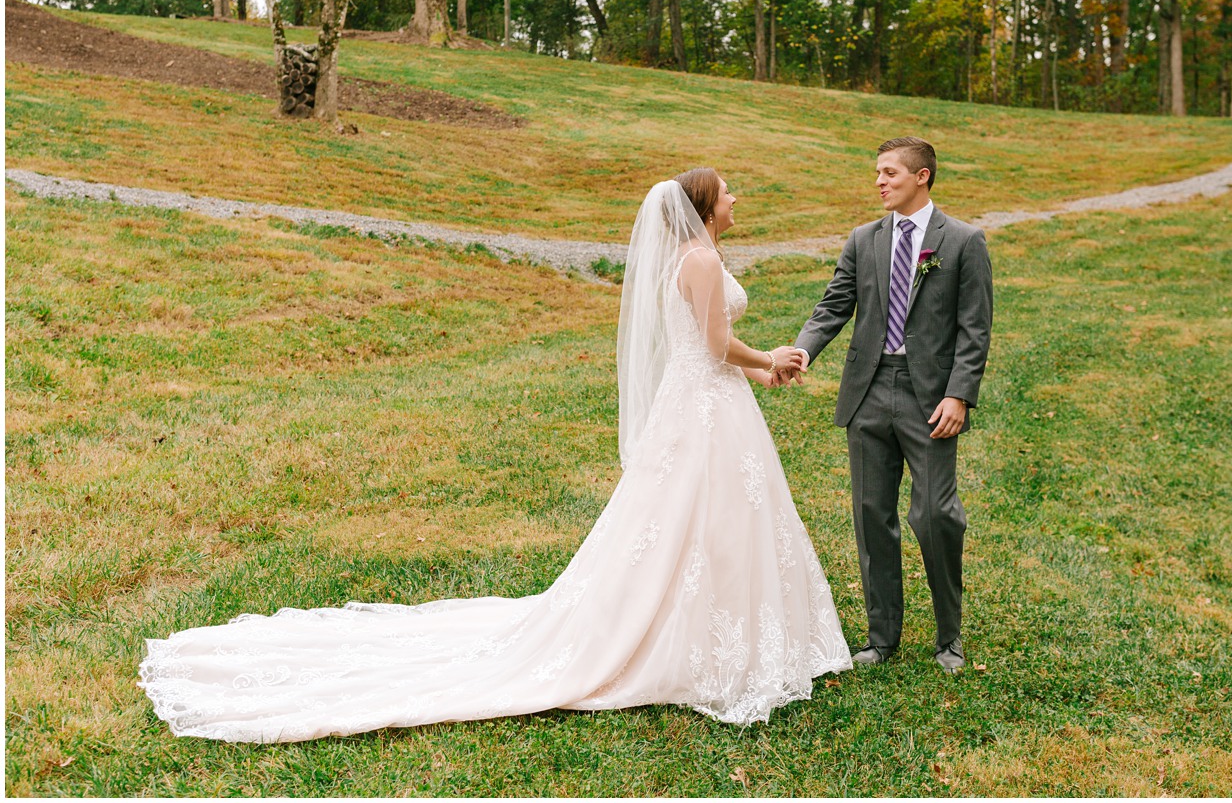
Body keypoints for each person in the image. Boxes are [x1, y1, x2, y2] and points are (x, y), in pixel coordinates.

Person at [138, 169, 850, 742]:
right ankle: (694, 641)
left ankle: (721, 627)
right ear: (705, 207)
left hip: (713, 404)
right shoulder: (698, 260)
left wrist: (762, 372)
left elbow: (709, 350)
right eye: (727, 192)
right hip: (703, 412)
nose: (736, 198)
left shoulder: (699, 256)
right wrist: (770, 355)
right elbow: (718, 344)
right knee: (692, 522)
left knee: (715, 522)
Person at [793, 137, 993, 674]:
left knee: (935, 516)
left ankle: (948, 638)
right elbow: (834, 305)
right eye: (877, 173)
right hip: (869, 391)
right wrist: (802, 351)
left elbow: (975, 329)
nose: (879, 182)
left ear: (922, 176)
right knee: (871, 515)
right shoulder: (864, 239)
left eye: (890, 173)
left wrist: (959, 394)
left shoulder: (964, 241)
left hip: (932, 398)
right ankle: (882, 638)